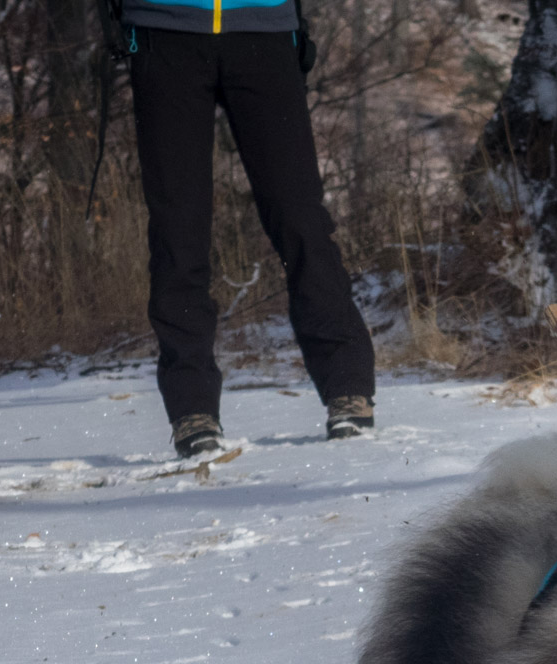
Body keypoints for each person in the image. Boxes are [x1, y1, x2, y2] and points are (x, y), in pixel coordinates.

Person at [101, 0, 377, 458]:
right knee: (178, 227)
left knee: (300, 217)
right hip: (162, 30)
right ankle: (192, 408)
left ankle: (348, 387)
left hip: (264, 30)